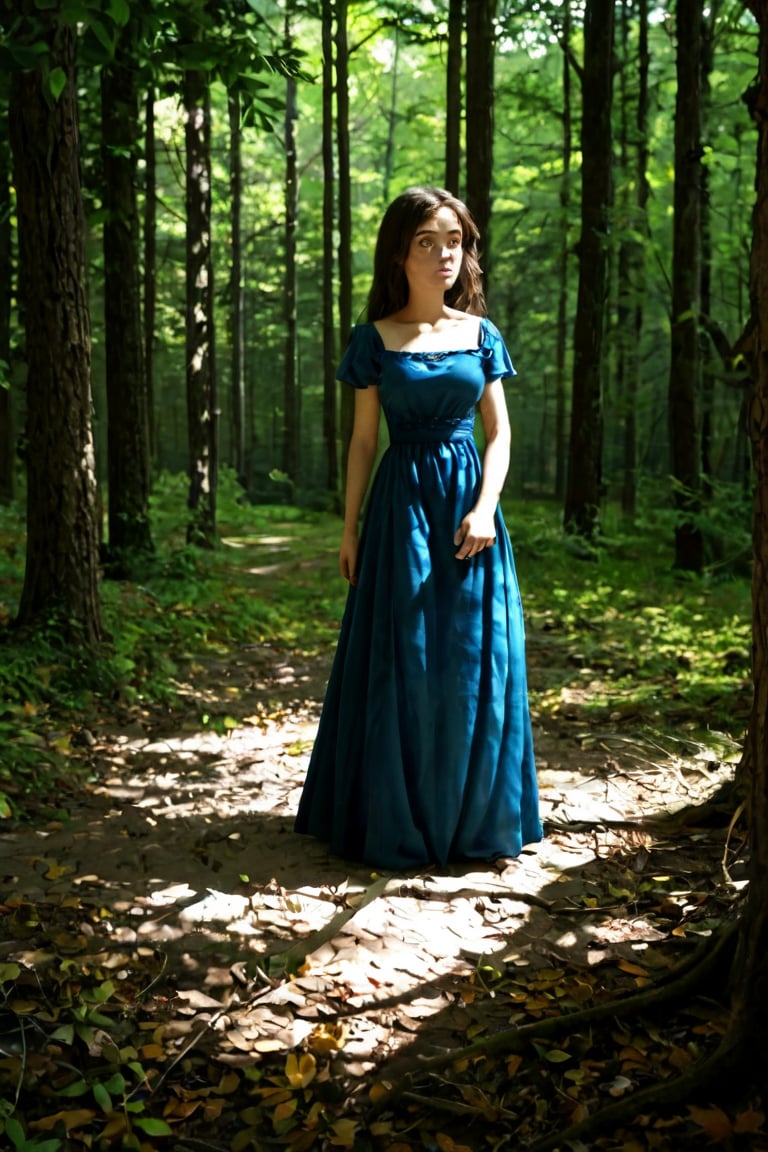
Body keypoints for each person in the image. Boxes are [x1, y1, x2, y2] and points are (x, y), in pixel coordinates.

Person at [295, 185, 542, 871]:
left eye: (453, 242)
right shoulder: (373, 340)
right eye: (426, 242)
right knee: (404, 661)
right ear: (399, 255)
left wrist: (488, 504)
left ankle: (474, 823)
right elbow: (363, 442)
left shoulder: (480, 333)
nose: (442, 255)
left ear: (466, 253)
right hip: (401, 508)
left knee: (471, 661)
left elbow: (500, 433)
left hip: (470, 509)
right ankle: (392, 820)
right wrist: (349, 530)